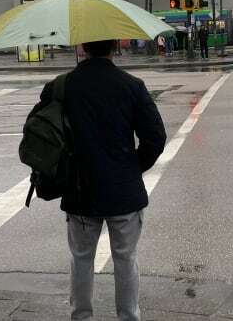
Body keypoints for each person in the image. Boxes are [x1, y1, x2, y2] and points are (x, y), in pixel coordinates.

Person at [32, 40, 166, 321]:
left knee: (81, 260)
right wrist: (132, 168)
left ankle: (81, 316)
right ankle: (128, 316)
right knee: (125, 259)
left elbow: (44, 135)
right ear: (114, 47)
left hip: (79, 190)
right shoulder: (132, 85)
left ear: (82, 47)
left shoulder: (60, 87)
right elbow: (155, 138)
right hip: (123, 192)